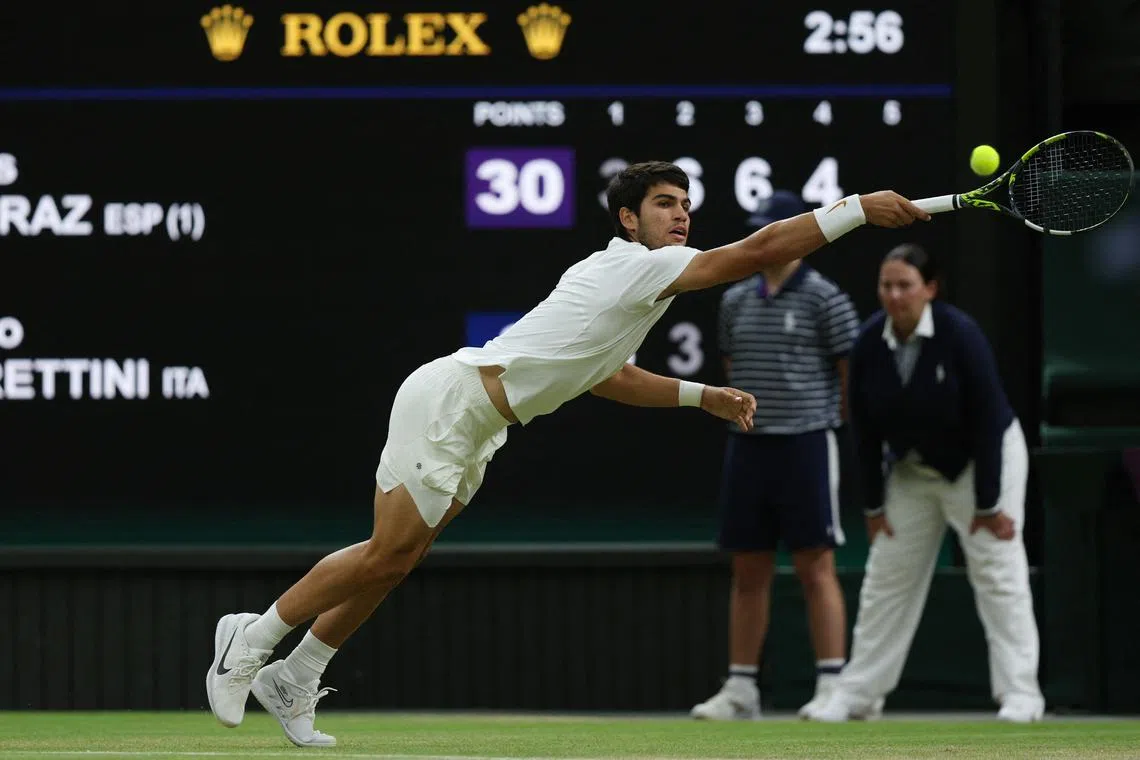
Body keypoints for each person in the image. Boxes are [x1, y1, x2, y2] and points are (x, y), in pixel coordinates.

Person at [205, 162, 929, 746]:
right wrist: (857, 208)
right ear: (628, 218)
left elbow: (606, 376)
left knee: (395, 561)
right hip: (449, 403)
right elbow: (760, 252)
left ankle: (299, 674)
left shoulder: (632, 281)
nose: (681, 215)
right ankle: (252, 638)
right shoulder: (636, 269)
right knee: (384, 553)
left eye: (686, 204)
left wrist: (699, 396)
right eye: (665, 204)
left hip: (480, 425)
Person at [806, 243, 1045, 723]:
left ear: (930, 289)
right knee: (885, 579)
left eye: (905, 286)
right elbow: (865, 434)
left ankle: (1021, 694)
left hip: (983, 463)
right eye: (886, 286)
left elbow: (986, 421)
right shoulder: (869, 343)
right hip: (913, 473)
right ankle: (859, 694)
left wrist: (989, 505)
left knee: (998, 572)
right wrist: (873, 509)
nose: (894, 296)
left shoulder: (961, 336)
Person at [691, 190, 861, 721]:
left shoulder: (826, 298)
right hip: (748, 448)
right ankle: (742, 688)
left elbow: (848, 374)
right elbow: (731, 365)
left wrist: (827, 423)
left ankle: (833, 682)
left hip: (807, 444)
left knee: (816, 565)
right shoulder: (735, 299)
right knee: (748, 569)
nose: (766, 241)